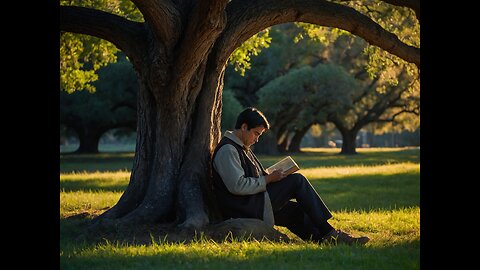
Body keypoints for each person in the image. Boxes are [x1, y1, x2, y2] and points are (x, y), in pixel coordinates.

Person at [211, 107, 370, 245]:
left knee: (293, 211)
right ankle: (332, 234)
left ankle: (327, 239)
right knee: (297, 181)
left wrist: (270, 175)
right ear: (244, 127)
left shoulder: (240, 147)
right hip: (243, 207)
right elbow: (237, 185)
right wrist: (268, 179)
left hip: (252, 202)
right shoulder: (228, 150)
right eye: (255, 134)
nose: (257, 139)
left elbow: (247, 176)